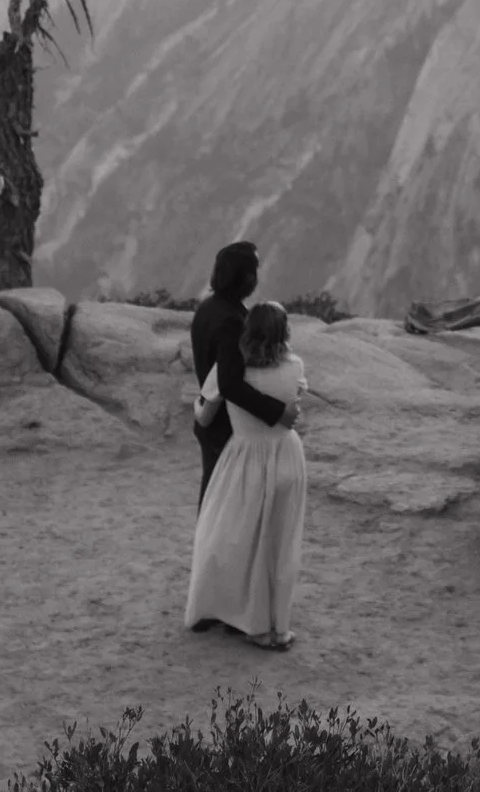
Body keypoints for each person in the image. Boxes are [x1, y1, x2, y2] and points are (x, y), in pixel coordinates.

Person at [183, 301, 309, 650]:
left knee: (230, 536)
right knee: (280, 543)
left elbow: (205, 417)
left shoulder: (229, 370)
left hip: (243, 457)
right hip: (286, 454)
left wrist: (196, 405)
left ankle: (241, 618)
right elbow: (294, 407)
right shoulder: (295, 365)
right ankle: (278, 629)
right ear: (284, 332)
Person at [187, 241, 298, 508]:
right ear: (245, 276)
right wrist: (277, 412)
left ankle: (206, 548)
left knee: (214, 497)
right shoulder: (232, 321)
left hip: (210, 420)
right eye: (255, 270)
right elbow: (230, 384)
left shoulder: (208, 307)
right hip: (225, 426)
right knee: (224, 506)